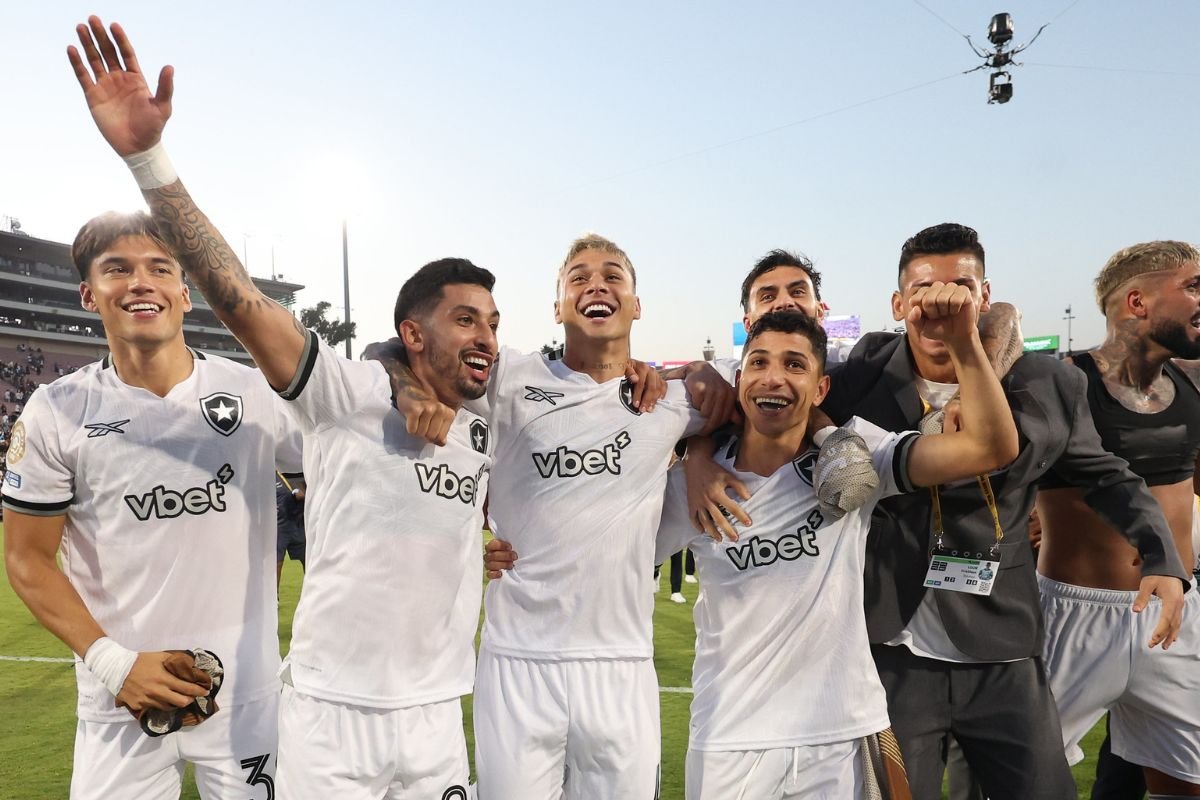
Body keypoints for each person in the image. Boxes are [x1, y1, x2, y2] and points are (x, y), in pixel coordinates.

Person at [67, 17, 499, 798]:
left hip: (439, 718)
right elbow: (240, 299)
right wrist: (146, 157)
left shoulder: (491, 416)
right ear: (412, 333)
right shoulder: (350, 391)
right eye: (466, 319)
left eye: (495, 323)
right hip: (332, 720)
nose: (488, 338)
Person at [813, 222, 1187, 799]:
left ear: (984, 298)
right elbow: (784, 407)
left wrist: (1162, 555)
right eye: (924, 291)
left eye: (961, 288)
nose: (943, 304)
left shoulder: (1047, 381)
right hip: (893, 647)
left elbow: (1106, 475)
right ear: (897, 304)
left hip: (1001, 644)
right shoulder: (859, 375)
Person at [652, 294, 1017, 798]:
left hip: (842, 732)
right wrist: (693, 448)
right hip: (730, 736)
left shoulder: (856, 455)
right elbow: (603, 556)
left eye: (794, 365)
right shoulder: (694, 487)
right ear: (739, 384)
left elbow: (989, 448)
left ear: (821, 387)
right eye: (757, 362)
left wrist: (964, 344)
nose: (773, 377)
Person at [2, 208, 300, 799]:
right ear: (89, 295)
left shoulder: (253, 395)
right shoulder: (54, 410)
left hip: (248, 699)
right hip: (121, 698)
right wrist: (114, 664)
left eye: (159, 268)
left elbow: (352, 463)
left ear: (184, 293)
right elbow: (27, 559)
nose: (141, 282)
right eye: (118, 269)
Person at [1036, 241, 1200, 797]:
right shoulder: (1064, 380)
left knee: (1186, 783)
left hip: (1175, 613)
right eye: (1194, 287)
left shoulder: (1193, 383)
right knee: (1027, 781)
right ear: (1137, 301)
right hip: (1076, 615)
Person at [275, 473, 306, 586]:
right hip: (278, 526)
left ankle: (312, 593)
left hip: (299, 521)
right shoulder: (265, 473)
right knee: (277, 562)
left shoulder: (296, 467)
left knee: (308, 558)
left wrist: (299, 492)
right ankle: (274, 598)